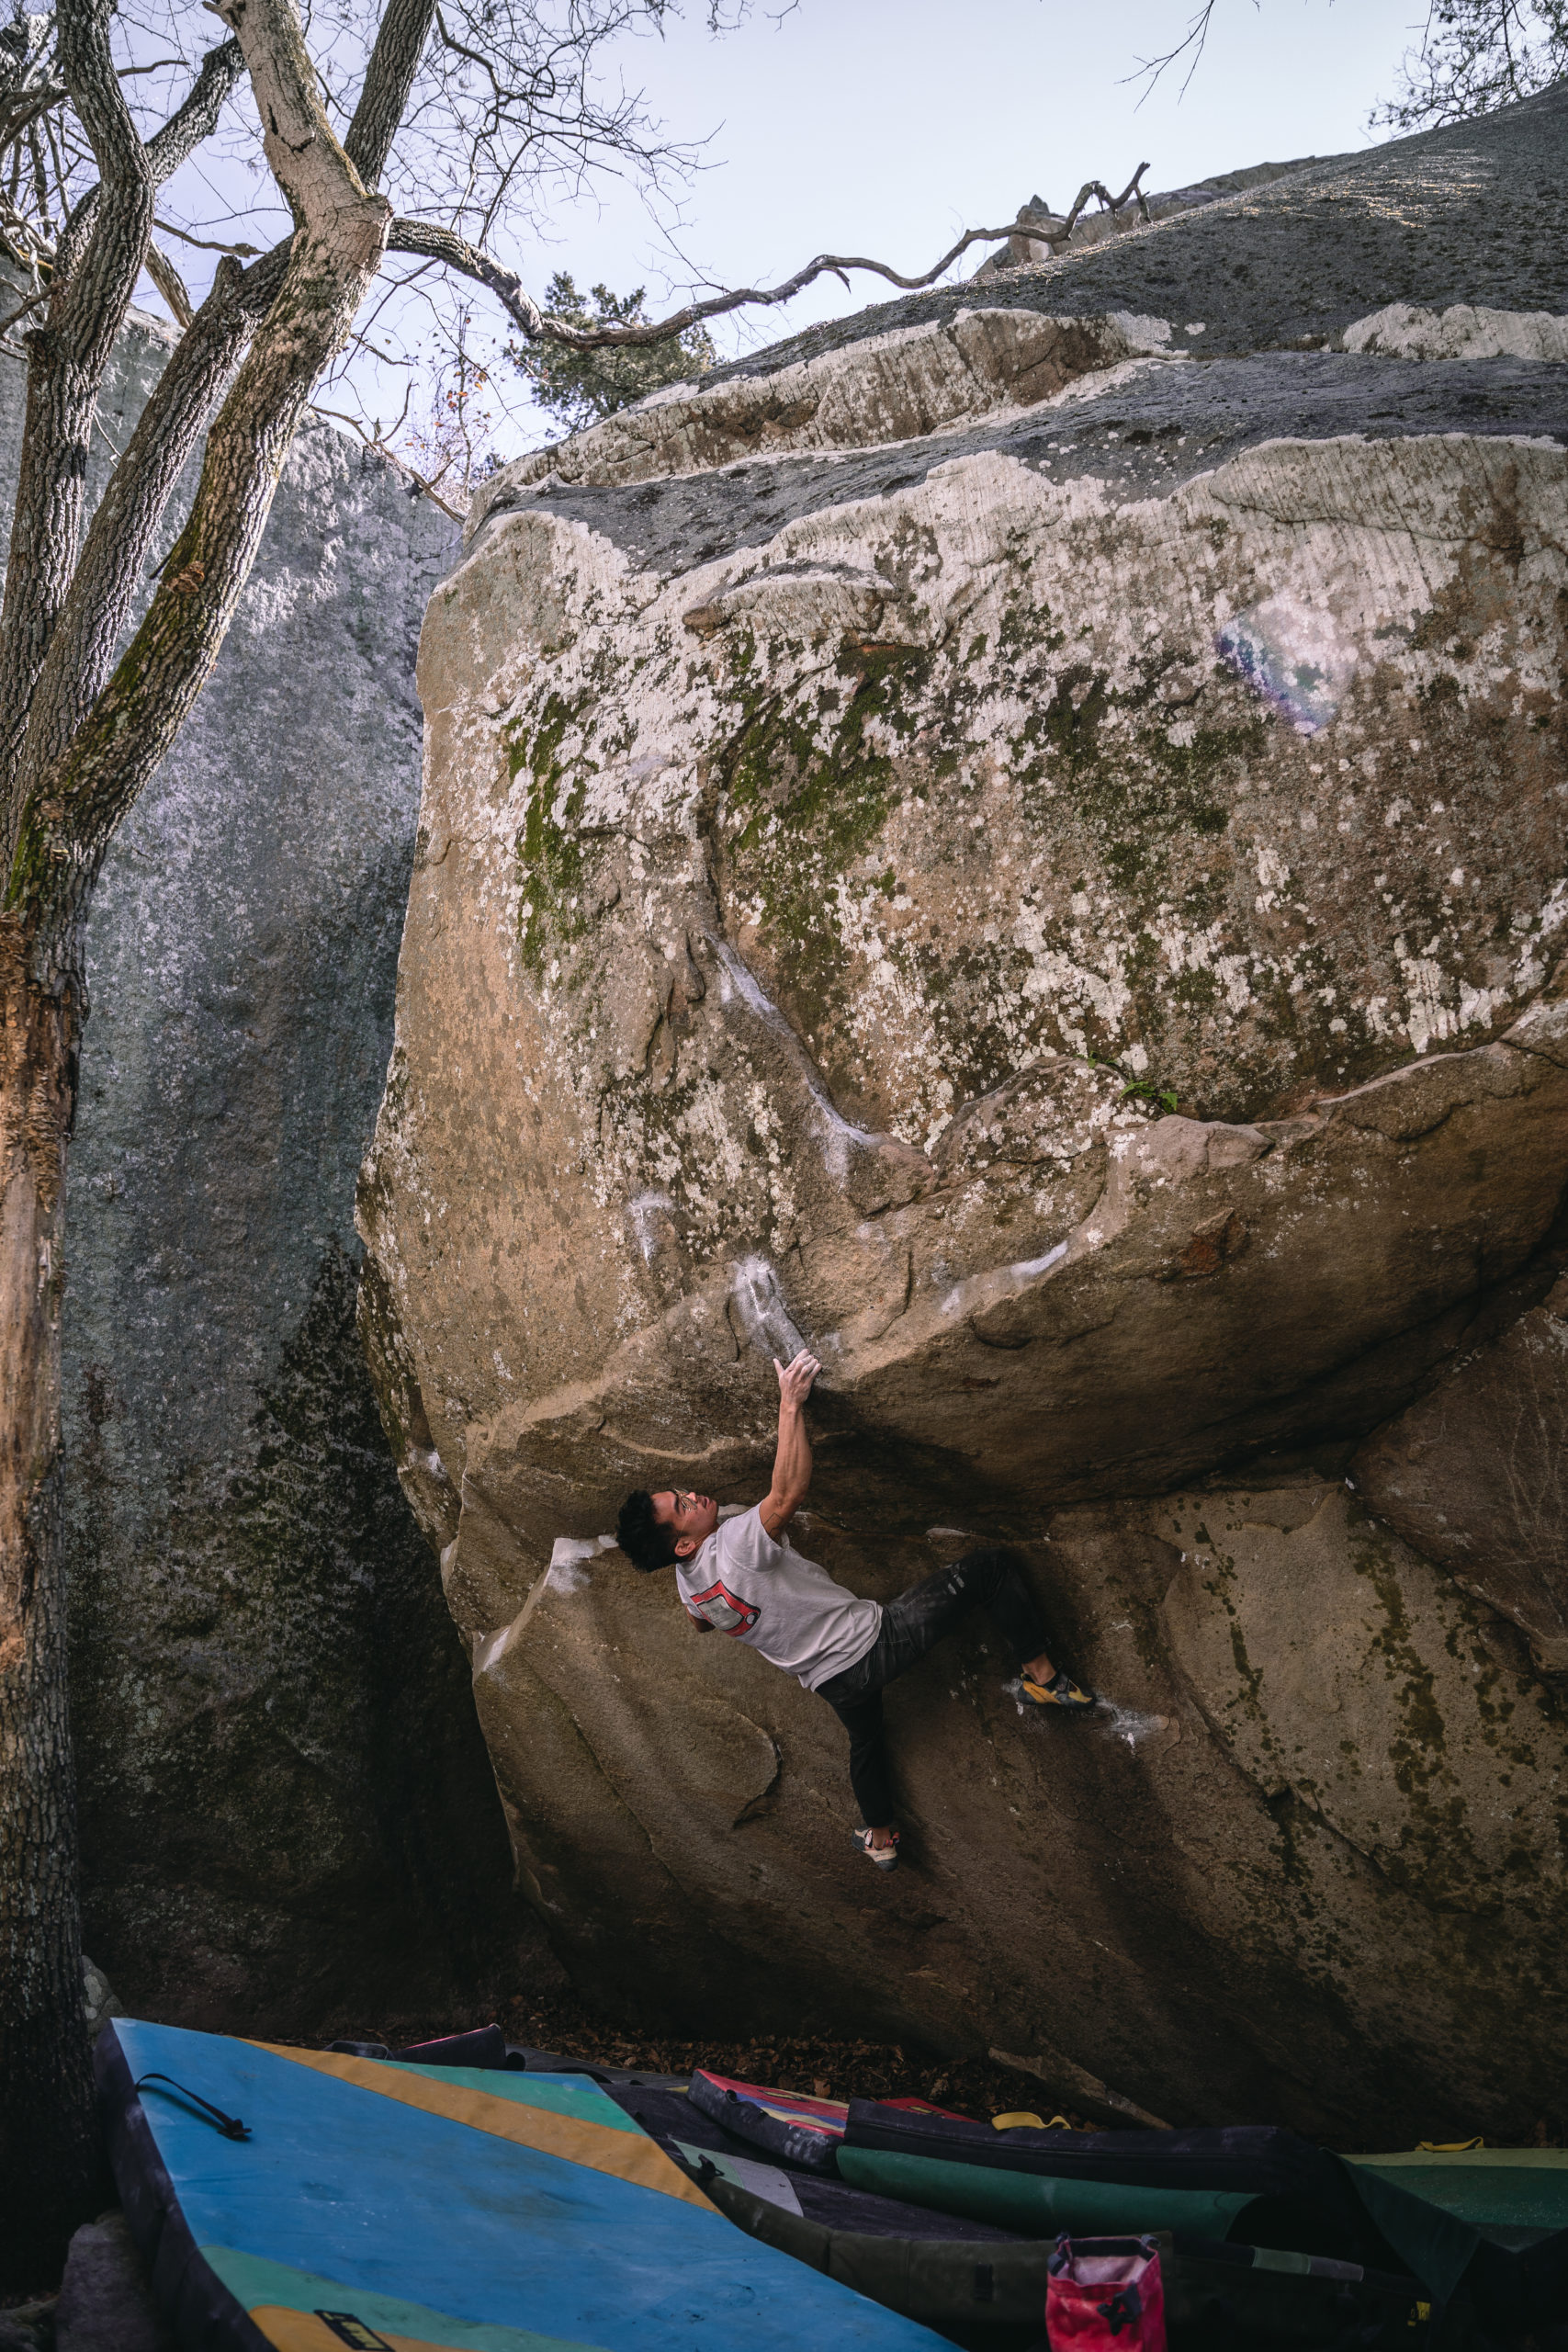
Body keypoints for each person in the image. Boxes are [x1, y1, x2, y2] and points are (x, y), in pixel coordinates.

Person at [615, 1348, 1094, 1871]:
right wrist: (790, 1404)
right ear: (682, 1544)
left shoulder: (688, 1583)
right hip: (872, 1645)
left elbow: (701, 1622)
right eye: (682, 1507)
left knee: (866, 1741)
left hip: (830, 1682)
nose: (692, 1496)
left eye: (680, 1492)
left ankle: (882, 1838)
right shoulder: (733, 1544)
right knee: (989, 1569)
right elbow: (788, 1491)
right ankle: (1042, 1677)